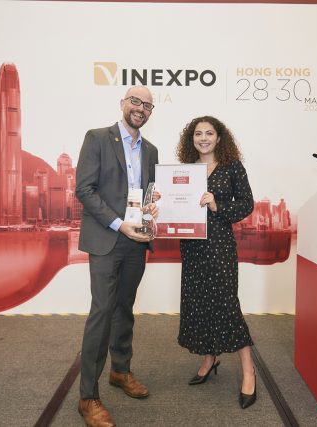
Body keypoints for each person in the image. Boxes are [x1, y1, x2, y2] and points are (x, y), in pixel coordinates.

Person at [75, 86, 158, 427]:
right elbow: (84, 189)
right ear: (123, 103)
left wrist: (152, 209)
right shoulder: (97, 138)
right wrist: (118, 223)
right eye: (135, 101)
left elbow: (148, 194)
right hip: (107, 238)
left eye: (147, 105)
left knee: (125, 308)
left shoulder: (151, 150)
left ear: (150, 112)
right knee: (102, 313)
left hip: (136, 241)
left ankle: (120, 371)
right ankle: (88, 396)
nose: (140, 108)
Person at [175, 116, 257, 409]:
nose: (203, 138)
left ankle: (249, 370)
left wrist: (216, 205)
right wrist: (162, 200)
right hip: (192, 246)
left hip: (219, 244)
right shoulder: (185, 169)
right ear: (192, 139)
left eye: (209, 133)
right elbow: (175, 203)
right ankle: (210, 359)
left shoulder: (232, 167)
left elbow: (246, 204)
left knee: (225, 304)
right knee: (199, 302)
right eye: (198, 133)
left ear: (219, 138)